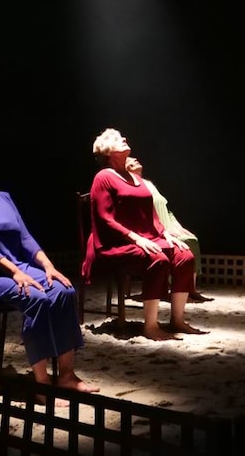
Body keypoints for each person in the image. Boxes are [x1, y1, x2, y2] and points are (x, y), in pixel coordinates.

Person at [0, 139, 99, 401]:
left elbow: (25, 238)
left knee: (64, 290)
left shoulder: (4, 197)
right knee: (35, 298)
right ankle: (42, 383)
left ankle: (67, 376)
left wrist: (49, 267)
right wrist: (15, 272)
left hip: (17, 268)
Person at [83, 128, 208, 341]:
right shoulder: (103, 178)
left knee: (185, 256)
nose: (123, 139)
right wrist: (136, 238)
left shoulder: (135, 178)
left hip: (149, 238)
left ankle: (177, 321)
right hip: (116, 243)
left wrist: (166, 234)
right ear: (107, 151)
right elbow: (105, 218)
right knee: (157, 260)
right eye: (116, 139)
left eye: (122, 137)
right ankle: (151, 326)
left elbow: (152, 215)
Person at [124, 156, 213, 303]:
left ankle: (190, 288)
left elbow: (166, 208)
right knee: (181, 244)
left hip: (167, 221)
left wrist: (177, 226)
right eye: (131, 160)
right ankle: (171, 288)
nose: (136, 159)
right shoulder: (132, 186)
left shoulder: (149, 183)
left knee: (191, 239)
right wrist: (163, 230)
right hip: (154, 226)